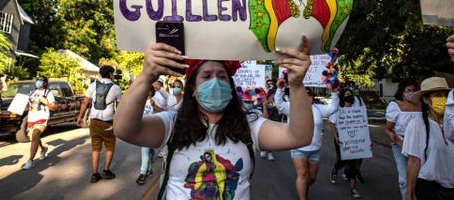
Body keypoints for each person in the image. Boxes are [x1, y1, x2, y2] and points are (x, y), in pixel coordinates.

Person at [114, 35, 314, 200]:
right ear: (193, 89)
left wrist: (296, 84)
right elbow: (124, 129)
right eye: (207, 76)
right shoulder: (173, 124)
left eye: (221, 76)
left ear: (230, 86)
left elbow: (299, 137)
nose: (215, 81)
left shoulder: (249, 127)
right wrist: (146, 75)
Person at [276, 82, 340, 200]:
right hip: (298, 148)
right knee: (302, 174)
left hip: (315, 148)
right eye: (304, 96)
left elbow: (334, 108)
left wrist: (334, 93)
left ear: (312, 98)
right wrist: (279, 89)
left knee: (312, 178)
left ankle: (303, 188)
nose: (307, 98)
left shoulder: (318, 108)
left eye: (309, 96)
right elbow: (279, 104)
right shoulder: (291, 107)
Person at [402, 77, 454, 200]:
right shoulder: (417, 125)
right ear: (426, 99)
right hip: (429, 188)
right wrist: (409, 195)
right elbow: (414, 162)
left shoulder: (452, 123)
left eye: (445, 95)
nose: (443, 99)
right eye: (438, 95)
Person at [77, 65, 122, 183]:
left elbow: (85, 102)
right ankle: (106, 171)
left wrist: (80, 117)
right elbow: (119, 107)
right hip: (108, 122)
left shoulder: (93, 85)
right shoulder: (116, 88)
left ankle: (94, 174)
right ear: (110, 74)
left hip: (94, 121)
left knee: (95, 148)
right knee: (110, 146)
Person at [384, 79, 422, 200]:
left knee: (421, 176)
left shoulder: (422, 106)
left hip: (420, 144)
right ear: (401, 93)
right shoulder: (395, 106)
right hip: (401, 144)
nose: (411, 93)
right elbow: (388, 128)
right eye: (408, 91)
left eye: (413, 90)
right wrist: (392, 136)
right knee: (405, 178)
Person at [329, 87, 368, 198]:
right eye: (346, 94)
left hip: (353, 139)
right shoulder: (338, 109)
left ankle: (353, 189)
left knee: (352, 163)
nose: (348, 96)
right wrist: (336, 137)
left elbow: (363, 124)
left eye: (350, 94)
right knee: (342, 161)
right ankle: (335, 169)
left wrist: (367, 139)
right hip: (341, 138)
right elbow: (332, 124)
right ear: (342, 96)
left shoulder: (357, 111)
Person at [21, 75, 57, 169]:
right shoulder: (32, 92)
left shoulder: (48, 93)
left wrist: (46, 103)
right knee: (33, 138)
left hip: (42, 117)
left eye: (41, 80)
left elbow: (53, 107)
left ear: (45, 83)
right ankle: (43, 148)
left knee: (35, 135)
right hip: (32, 118)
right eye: (37, 80)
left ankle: (30, 161)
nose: (38, 82)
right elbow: (29, 105)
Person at [136, 86, 156, 185]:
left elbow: (161, 111)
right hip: (141, 129)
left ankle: (143, 173)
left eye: (148, 90)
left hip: (149, 129)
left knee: (145, 151)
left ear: (151, 92)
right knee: (146, 152)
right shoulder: (140, 101)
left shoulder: (153, 101)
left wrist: (155, 105)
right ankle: (149, 170)